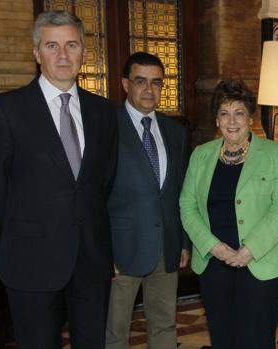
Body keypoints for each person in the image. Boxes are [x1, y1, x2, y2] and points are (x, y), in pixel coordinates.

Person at [0, 10, 117, 348]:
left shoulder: (103, 112)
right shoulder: (6, 110)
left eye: (71, 44)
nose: (63, 55)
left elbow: (103, 180)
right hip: (31, 258)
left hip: (90, 258)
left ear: (84, 53)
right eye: (52, 45)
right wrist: (29, 226)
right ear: (36, 53)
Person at [179, 79, 278, 349]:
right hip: (214, 265)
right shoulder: (201, 155)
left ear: (250, 117)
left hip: (259, 264)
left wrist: (249, 249)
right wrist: (214, 247)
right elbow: (187, 205)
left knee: (256, 339)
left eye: (239, 112)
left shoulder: (276, 155)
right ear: (216, 119)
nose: (232, 121)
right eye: (224, 113)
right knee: (222, 337)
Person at [105, 52, 191, 348]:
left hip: (165, 248)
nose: (149, 90)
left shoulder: (175, 131)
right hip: (121, 251)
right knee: (115, 331)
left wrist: (182, 241)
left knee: (165, 324)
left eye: (156, 83)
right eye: (141, 81)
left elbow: (180, 191)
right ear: (125, 84)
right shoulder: (105, 128)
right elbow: (95, 195)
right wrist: (103, 251)